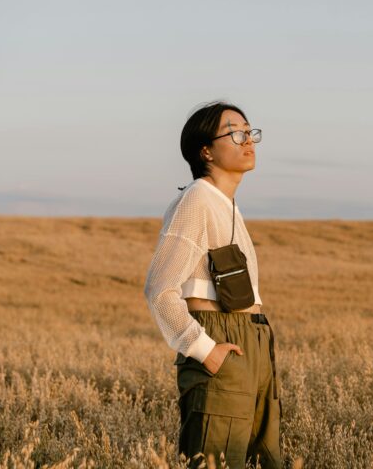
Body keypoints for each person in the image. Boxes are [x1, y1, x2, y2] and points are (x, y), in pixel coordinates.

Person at [143, 101, 282, 469]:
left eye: (250, 132)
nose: (247, 140)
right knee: (216, 463)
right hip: (221, 342)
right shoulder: (196, 200)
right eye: (235, 132)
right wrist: (204, 349)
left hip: (252, 344)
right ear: (205, 150)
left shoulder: (227, 205)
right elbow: (159, 289)